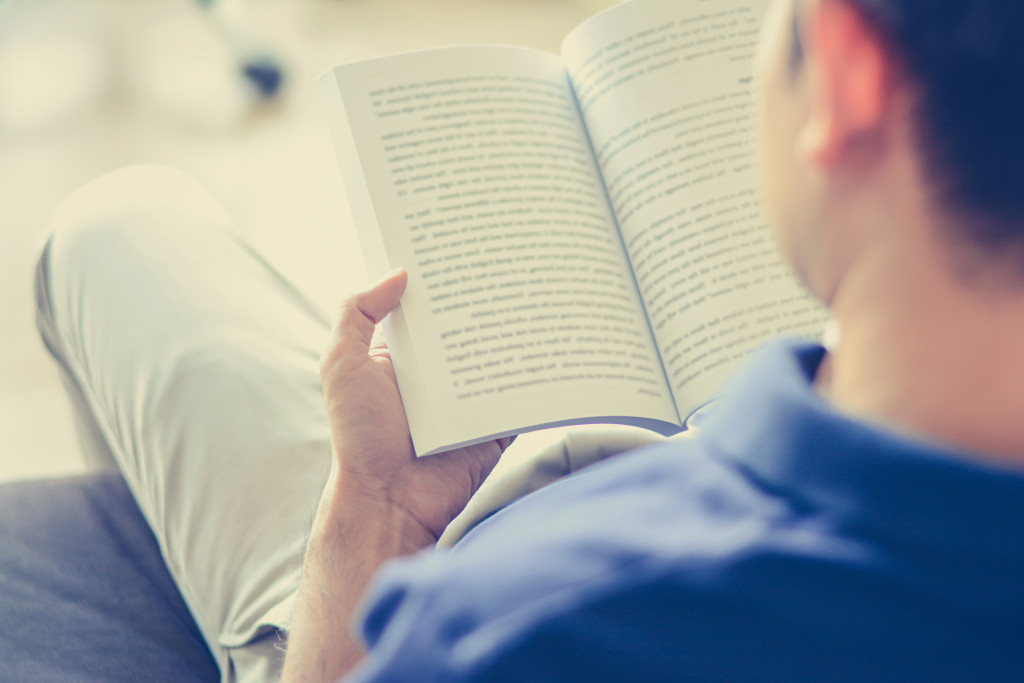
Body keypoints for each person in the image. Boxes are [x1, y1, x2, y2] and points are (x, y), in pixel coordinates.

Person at [35, 0, 1024, 680]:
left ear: (848, 72)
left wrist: (368, 511)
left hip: (459, 541)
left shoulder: (501, 628)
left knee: (119, 227)